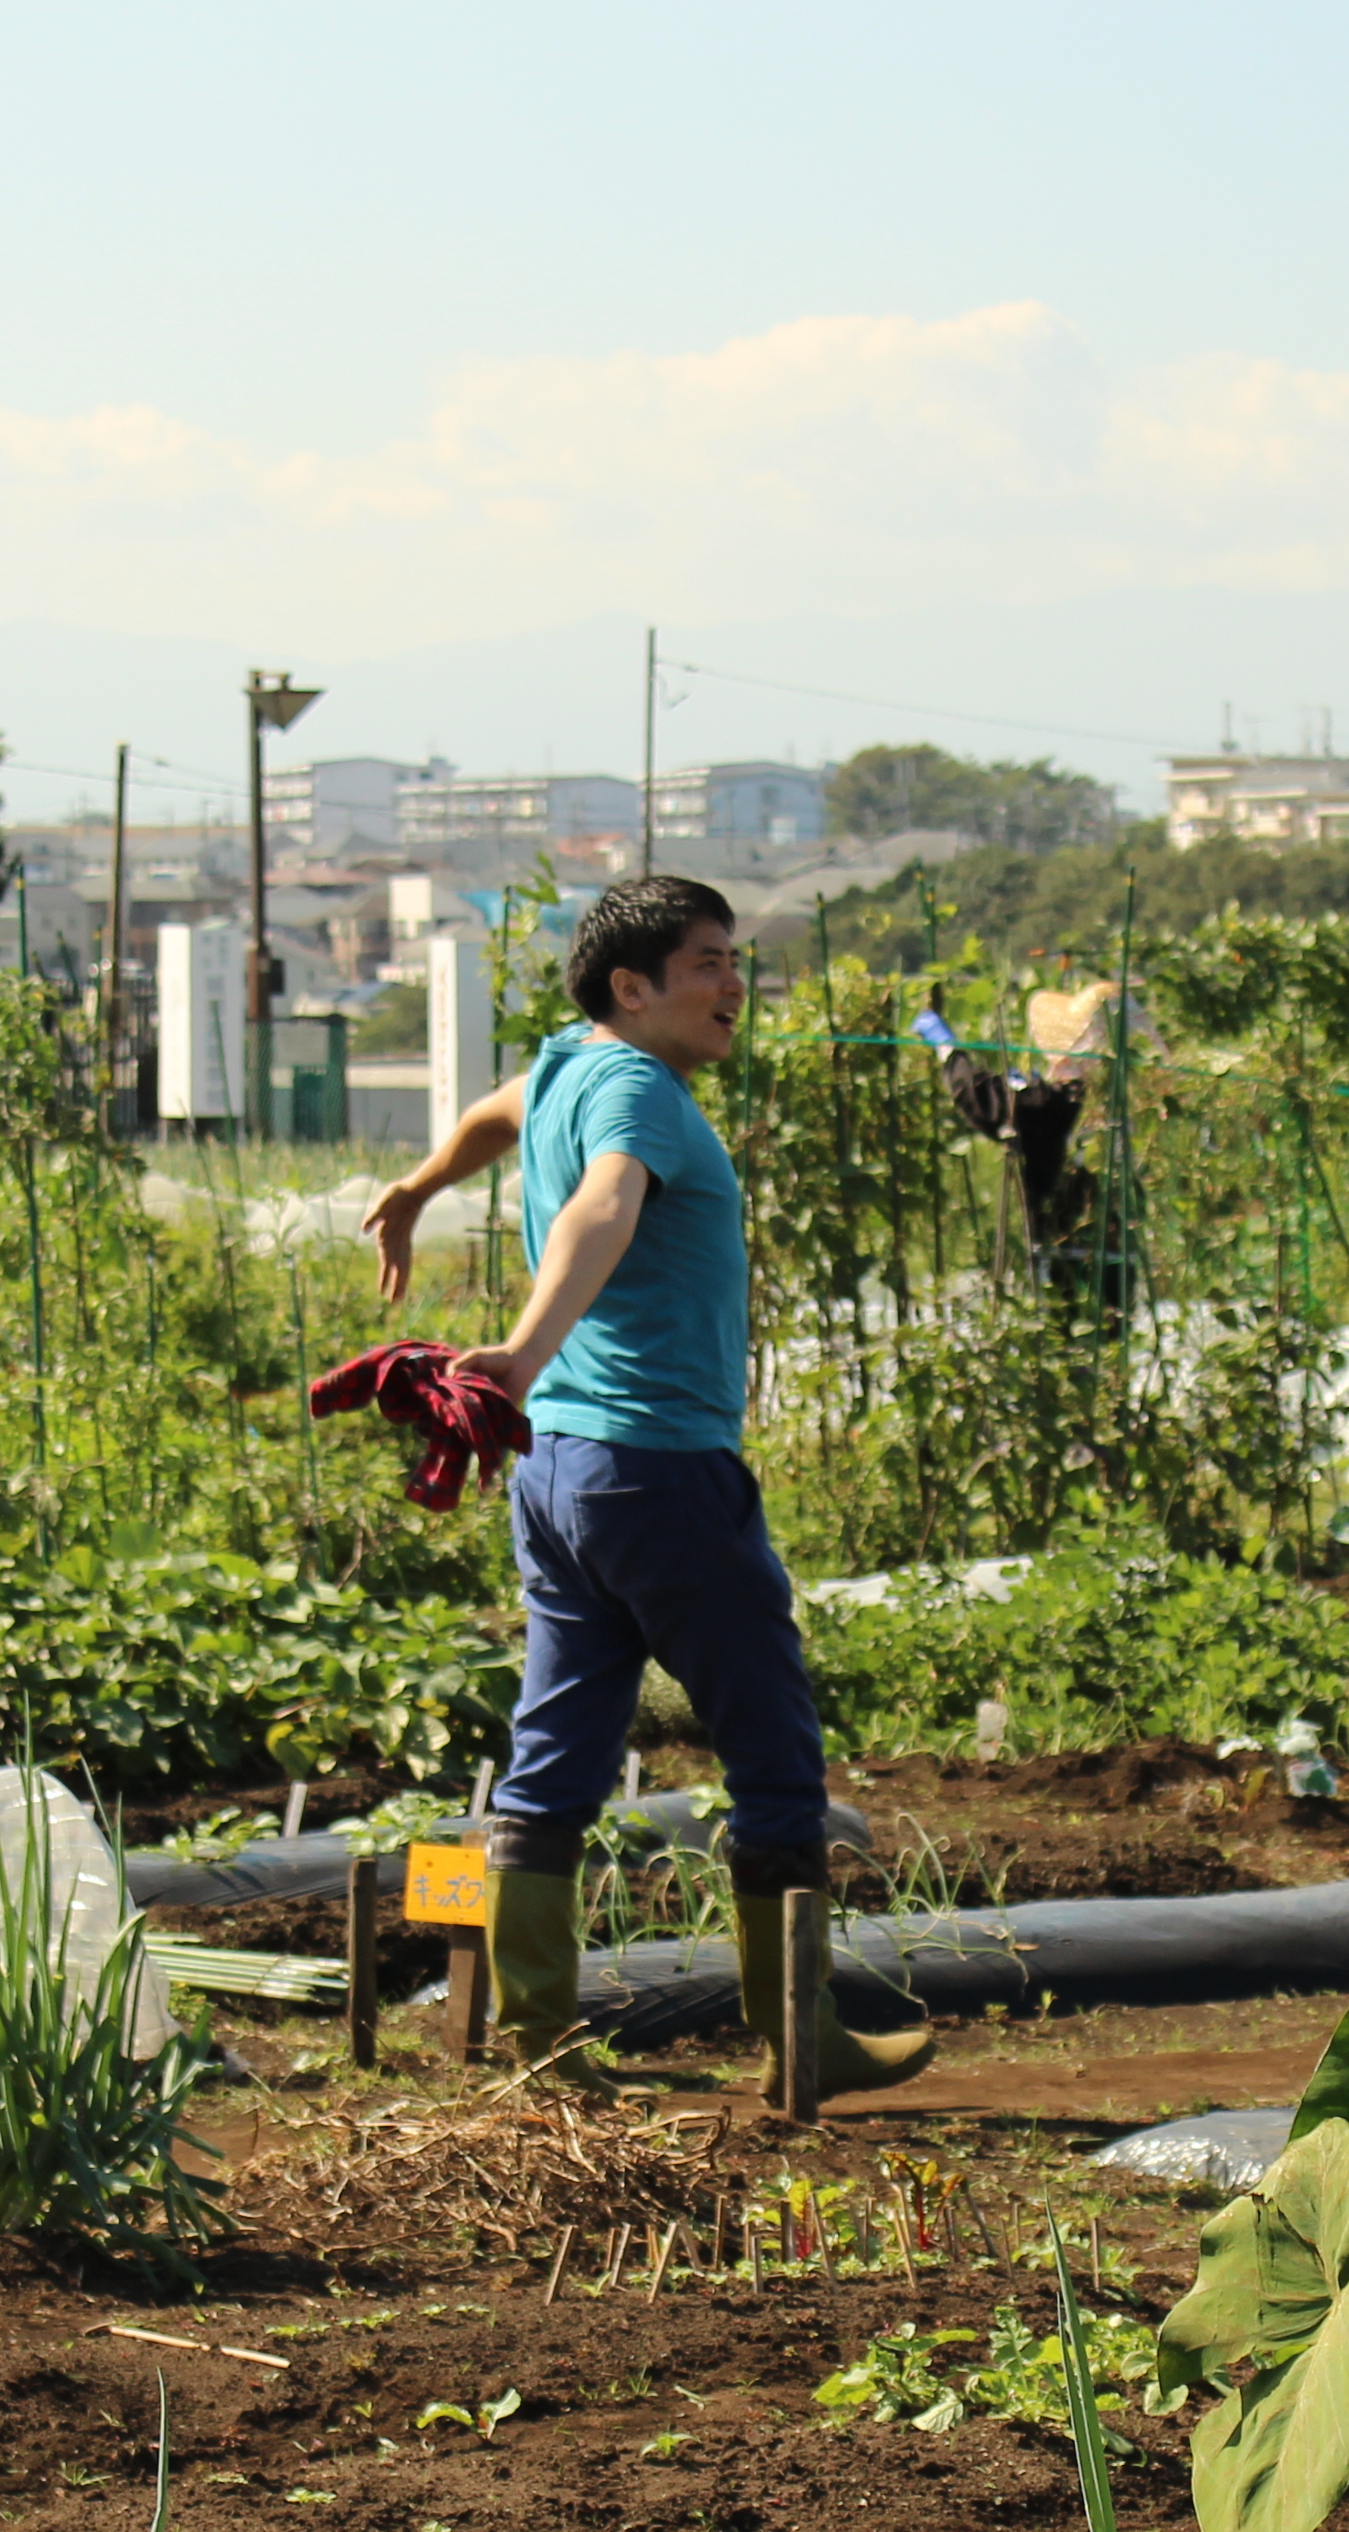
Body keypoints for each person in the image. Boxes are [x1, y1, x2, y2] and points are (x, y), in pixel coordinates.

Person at [363, 876, 931, 2100]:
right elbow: (602, 1208)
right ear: (634, 987)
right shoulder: (637, 1089)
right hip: (659, 1468)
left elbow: (491, 1115)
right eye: (709, 964)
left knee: (557, 1743)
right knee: (771, 1739)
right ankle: (802, 2035)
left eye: (736, 962)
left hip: (559, 1471)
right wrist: (521, 1349)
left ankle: (537, 2042)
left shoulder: (569, 1062)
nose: (736, 987)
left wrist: (416, 1187)